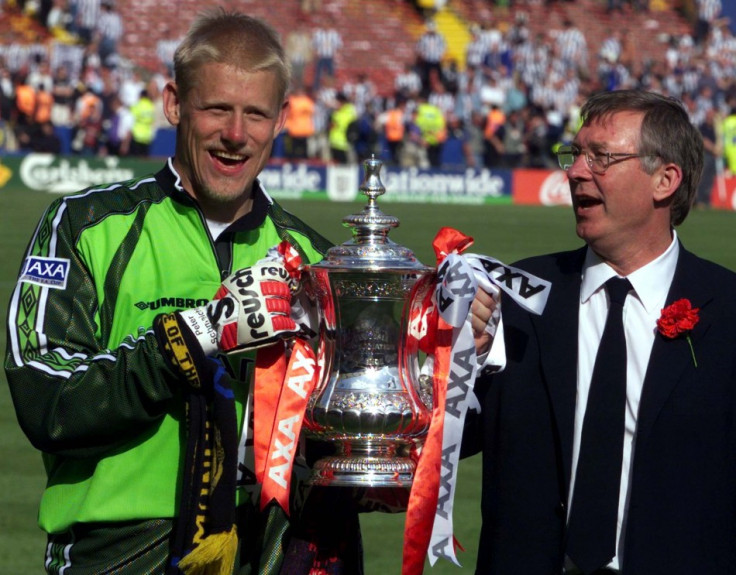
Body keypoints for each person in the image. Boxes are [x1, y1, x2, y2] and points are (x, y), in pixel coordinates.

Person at [5, 9, 364, 574]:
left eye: (255, 114)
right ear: (174, 103)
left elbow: (366, 437)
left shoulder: (319, 263)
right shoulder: (83, 225)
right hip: (115, 555)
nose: (235, 134)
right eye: (217, 108)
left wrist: (454, 351)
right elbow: (46, 403)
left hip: (270, 551)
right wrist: (193, 338)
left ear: (281, 121)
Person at [464, 89, 736, 574]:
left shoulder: (727, 308)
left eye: (602, 157)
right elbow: (449, 443)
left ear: (665, 180)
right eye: (575, 154)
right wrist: (456, 363)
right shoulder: (516, 295)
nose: (575, 171)